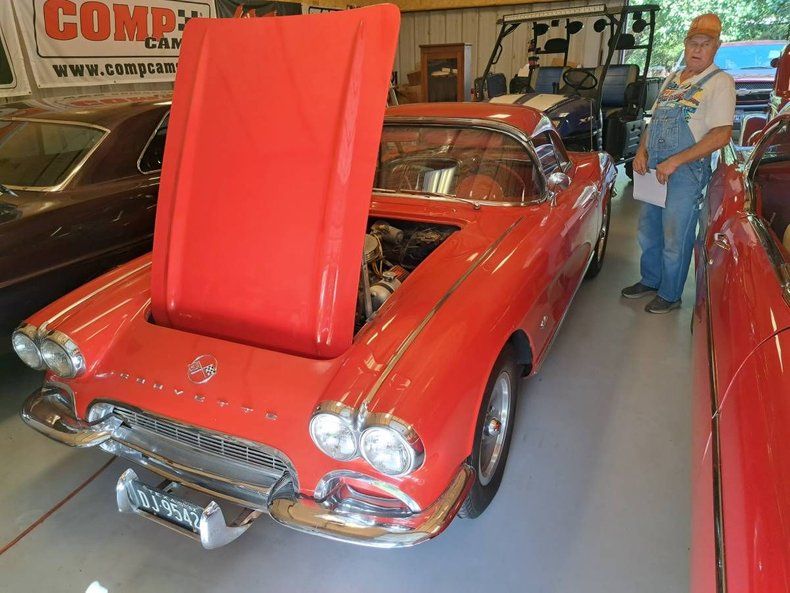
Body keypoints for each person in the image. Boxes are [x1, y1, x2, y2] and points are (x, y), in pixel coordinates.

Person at [621, 13, 735, 313]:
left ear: (716, 46)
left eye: (705, 44)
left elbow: (721, 134)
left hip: (686, 171)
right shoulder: (673, 78)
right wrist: (642, 151)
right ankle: (651, 279)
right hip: (656, 166)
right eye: (693, 43)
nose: (697, 49)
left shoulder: (720, 82)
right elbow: (655, 119)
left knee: (676, 235)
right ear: (685, 45)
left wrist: (676, 161)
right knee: (649, 229)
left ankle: (670, 294)